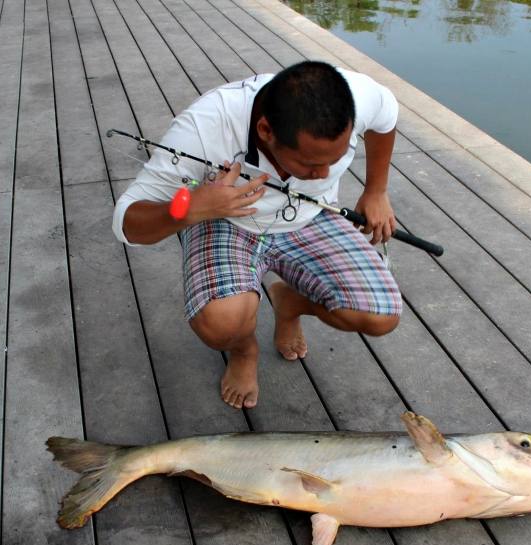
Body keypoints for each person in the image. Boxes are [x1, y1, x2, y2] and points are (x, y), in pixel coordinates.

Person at [113, 61, 402, 409]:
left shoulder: (356, 94)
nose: (324, 173)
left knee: (380, 315)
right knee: (221, 323)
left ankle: (290, 302)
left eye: (336, 159)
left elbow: (387, 115)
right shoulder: (204, 127)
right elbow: (126, 220)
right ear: (266, 130)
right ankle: (244, 350)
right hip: (227, 220)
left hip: (310, 215)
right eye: (311, 164)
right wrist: (187, 208)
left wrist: (376, 190)